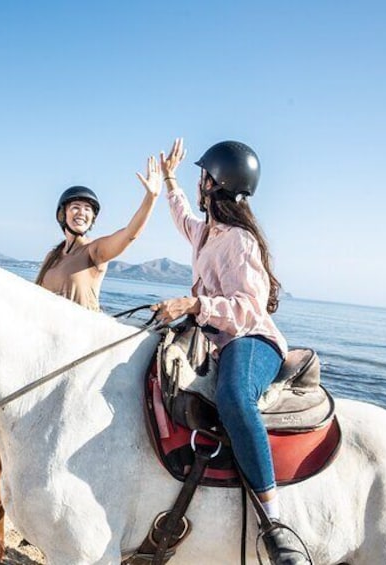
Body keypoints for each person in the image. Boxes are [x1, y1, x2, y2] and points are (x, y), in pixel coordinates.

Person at [151, 138, 310, 565]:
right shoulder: (206, 234)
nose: (197, 182)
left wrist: (194, 304)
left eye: (201, 176)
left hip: (250, 338)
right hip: (219, 338)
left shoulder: (239, 240)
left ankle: (275, 524)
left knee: (234, 398)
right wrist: (168, 179)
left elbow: (248, 307)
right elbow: (181, 215)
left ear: (215, 182)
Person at [35, 157, 162, 310]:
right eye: (75, 207)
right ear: (62, 214)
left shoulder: (94, 250)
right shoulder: (52, 256)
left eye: (87, 209)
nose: (82, 212)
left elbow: (129, 234)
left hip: (83, 331)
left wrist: (151, 198)